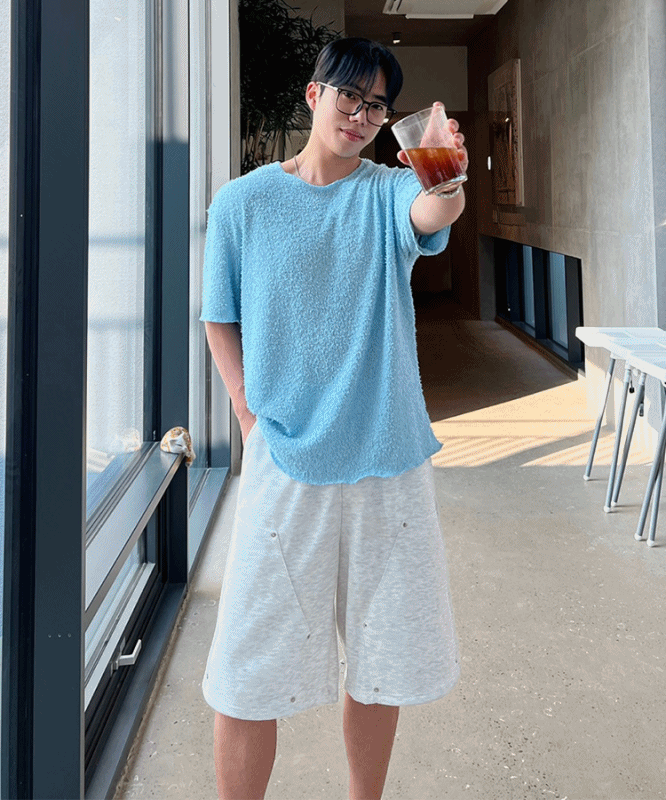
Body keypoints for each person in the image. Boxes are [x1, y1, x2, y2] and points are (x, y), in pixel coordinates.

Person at [200, 37, 467, 800]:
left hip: (388, 460)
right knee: (247, 669)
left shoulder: (387, 190)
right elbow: (219, 316)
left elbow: (433, 210)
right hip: (285, 459)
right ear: (315, 95)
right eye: (349, 95)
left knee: (382, 662)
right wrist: (247, 415)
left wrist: (446, 170)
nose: (360, 114)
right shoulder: (243, 202)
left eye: (376, 105)